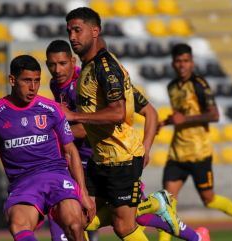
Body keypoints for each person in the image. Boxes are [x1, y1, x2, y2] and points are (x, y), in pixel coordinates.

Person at [47, 39, 210, 241]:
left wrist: (54, 135)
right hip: (95, 162)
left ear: (73, 62)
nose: (57, 70)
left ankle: (181, 225)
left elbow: (149, 112)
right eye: (51, 65)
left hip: (115, 159)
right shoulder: (57, 84)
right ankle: (189, 232)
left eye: (62, 64)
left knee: (122, 221)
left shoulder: (100, 79)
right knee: (83, 217)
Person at [0, 55, 95, 241]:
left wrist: (84, 193)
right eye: (26, 80)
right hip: (23, 184)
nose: (32, 87)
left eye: (36, 81)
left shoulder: (51, 108)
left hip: (57, 177)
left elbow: (71, 153)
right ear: (12, 80)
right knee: (18, 224)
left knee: (74, 224)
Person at [62, 8, 179, 241]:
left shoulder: (105, 68)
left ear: (94, 31)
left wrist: (74, 117)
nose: (72, 37)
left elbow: (117, 113)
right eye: (69, 31)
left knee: (123, 227)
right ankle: (154, 203)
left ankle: (156, 203)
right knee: (80, 220)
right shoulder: (87, 67)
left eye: (77, 30)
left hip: (122, 158)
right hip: (100, 158)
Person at [157, 43, 232, 241]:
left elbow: (214, 115)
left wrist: (184, 120)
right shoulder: (172, 87)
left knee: (209, 199)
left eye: (185, 61)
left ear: (192, 63)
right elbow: (182, 115)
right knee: (166, 202)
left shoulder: (199, 85)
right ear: (173, 63)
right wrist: (164, 122)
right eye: (178, 61)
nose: (182, 65)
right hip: (177, 153)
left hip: (199, 153)